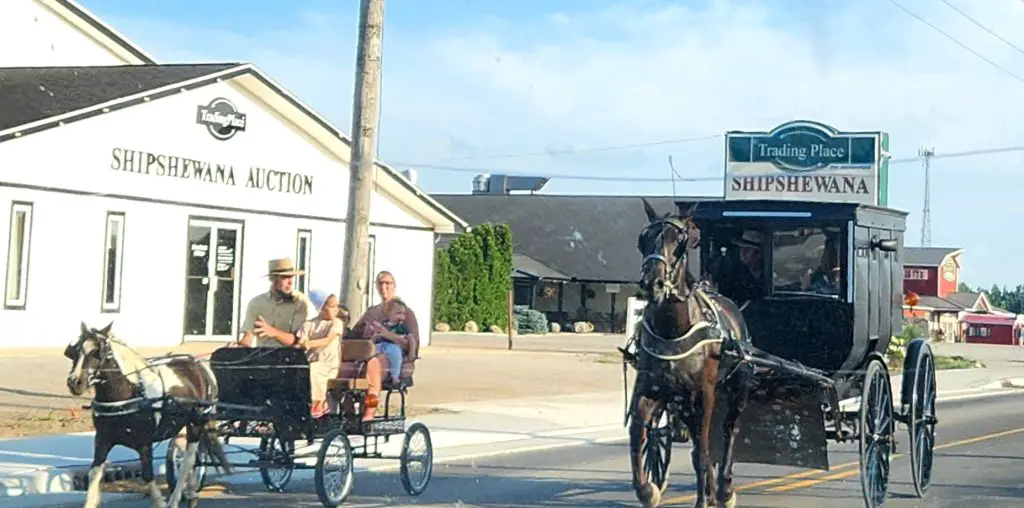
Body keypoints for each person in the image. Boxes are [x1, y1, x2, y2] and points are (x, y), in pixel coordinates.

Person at [348, 270, 421, 420]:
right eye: (381, 283)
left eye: (388, 283)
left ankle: (369, 411)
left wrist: (389, 335)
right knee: (346, 366)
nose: (384, 287)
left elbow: (413, 342)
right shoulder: (372, 312)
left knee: (374, 363)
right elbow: (354, 334)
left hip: (393, 357)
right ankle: (345, 412)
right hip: (371, 350)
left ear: (395, 286)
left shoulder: (405, 312)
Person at [234, 257, 313, 348]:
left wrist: (272, 332)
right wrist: (237, 346)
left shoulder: (300, 302)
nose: (290, 282)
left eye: (291, 277)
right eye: (285, 277)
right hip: (262, 356)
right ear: (273, 279)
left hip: (290, 357)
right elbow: (248, 337)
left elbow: (298, 341)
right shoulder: (256, 303)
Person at [298, 290, 345, 419]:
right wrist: (301, 343)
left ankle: (319, 403)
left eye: (337, 306)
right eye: (332, 307)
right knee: (300, 370)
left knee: (313, 370)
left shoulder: (336, 323)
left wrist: (309, 343)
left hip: (329, 364)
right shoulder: (309, 324)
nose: (336, 310)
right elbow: (301, 340)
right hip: (311, 361)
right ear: (322, 308)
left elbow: (327, 340)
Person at [713, 230, 767, 303]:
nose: (742, 252)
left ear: (759, 253)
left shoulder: (769, 275)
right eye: (741, 248)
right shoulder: (734, 274)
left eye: (747, 249)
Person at [374, 298, 410, 384]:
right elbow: (376, 335)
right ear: (389, 313)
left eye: (403, 314)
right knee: (371, 351)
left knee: (396, 355)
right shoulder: (383, 323)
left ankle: (395, 376)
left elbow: (406, 339)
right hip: (381, 344)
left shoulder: (401, 327)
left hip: (393, 345)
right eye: (398, 313)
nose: (401, 317)